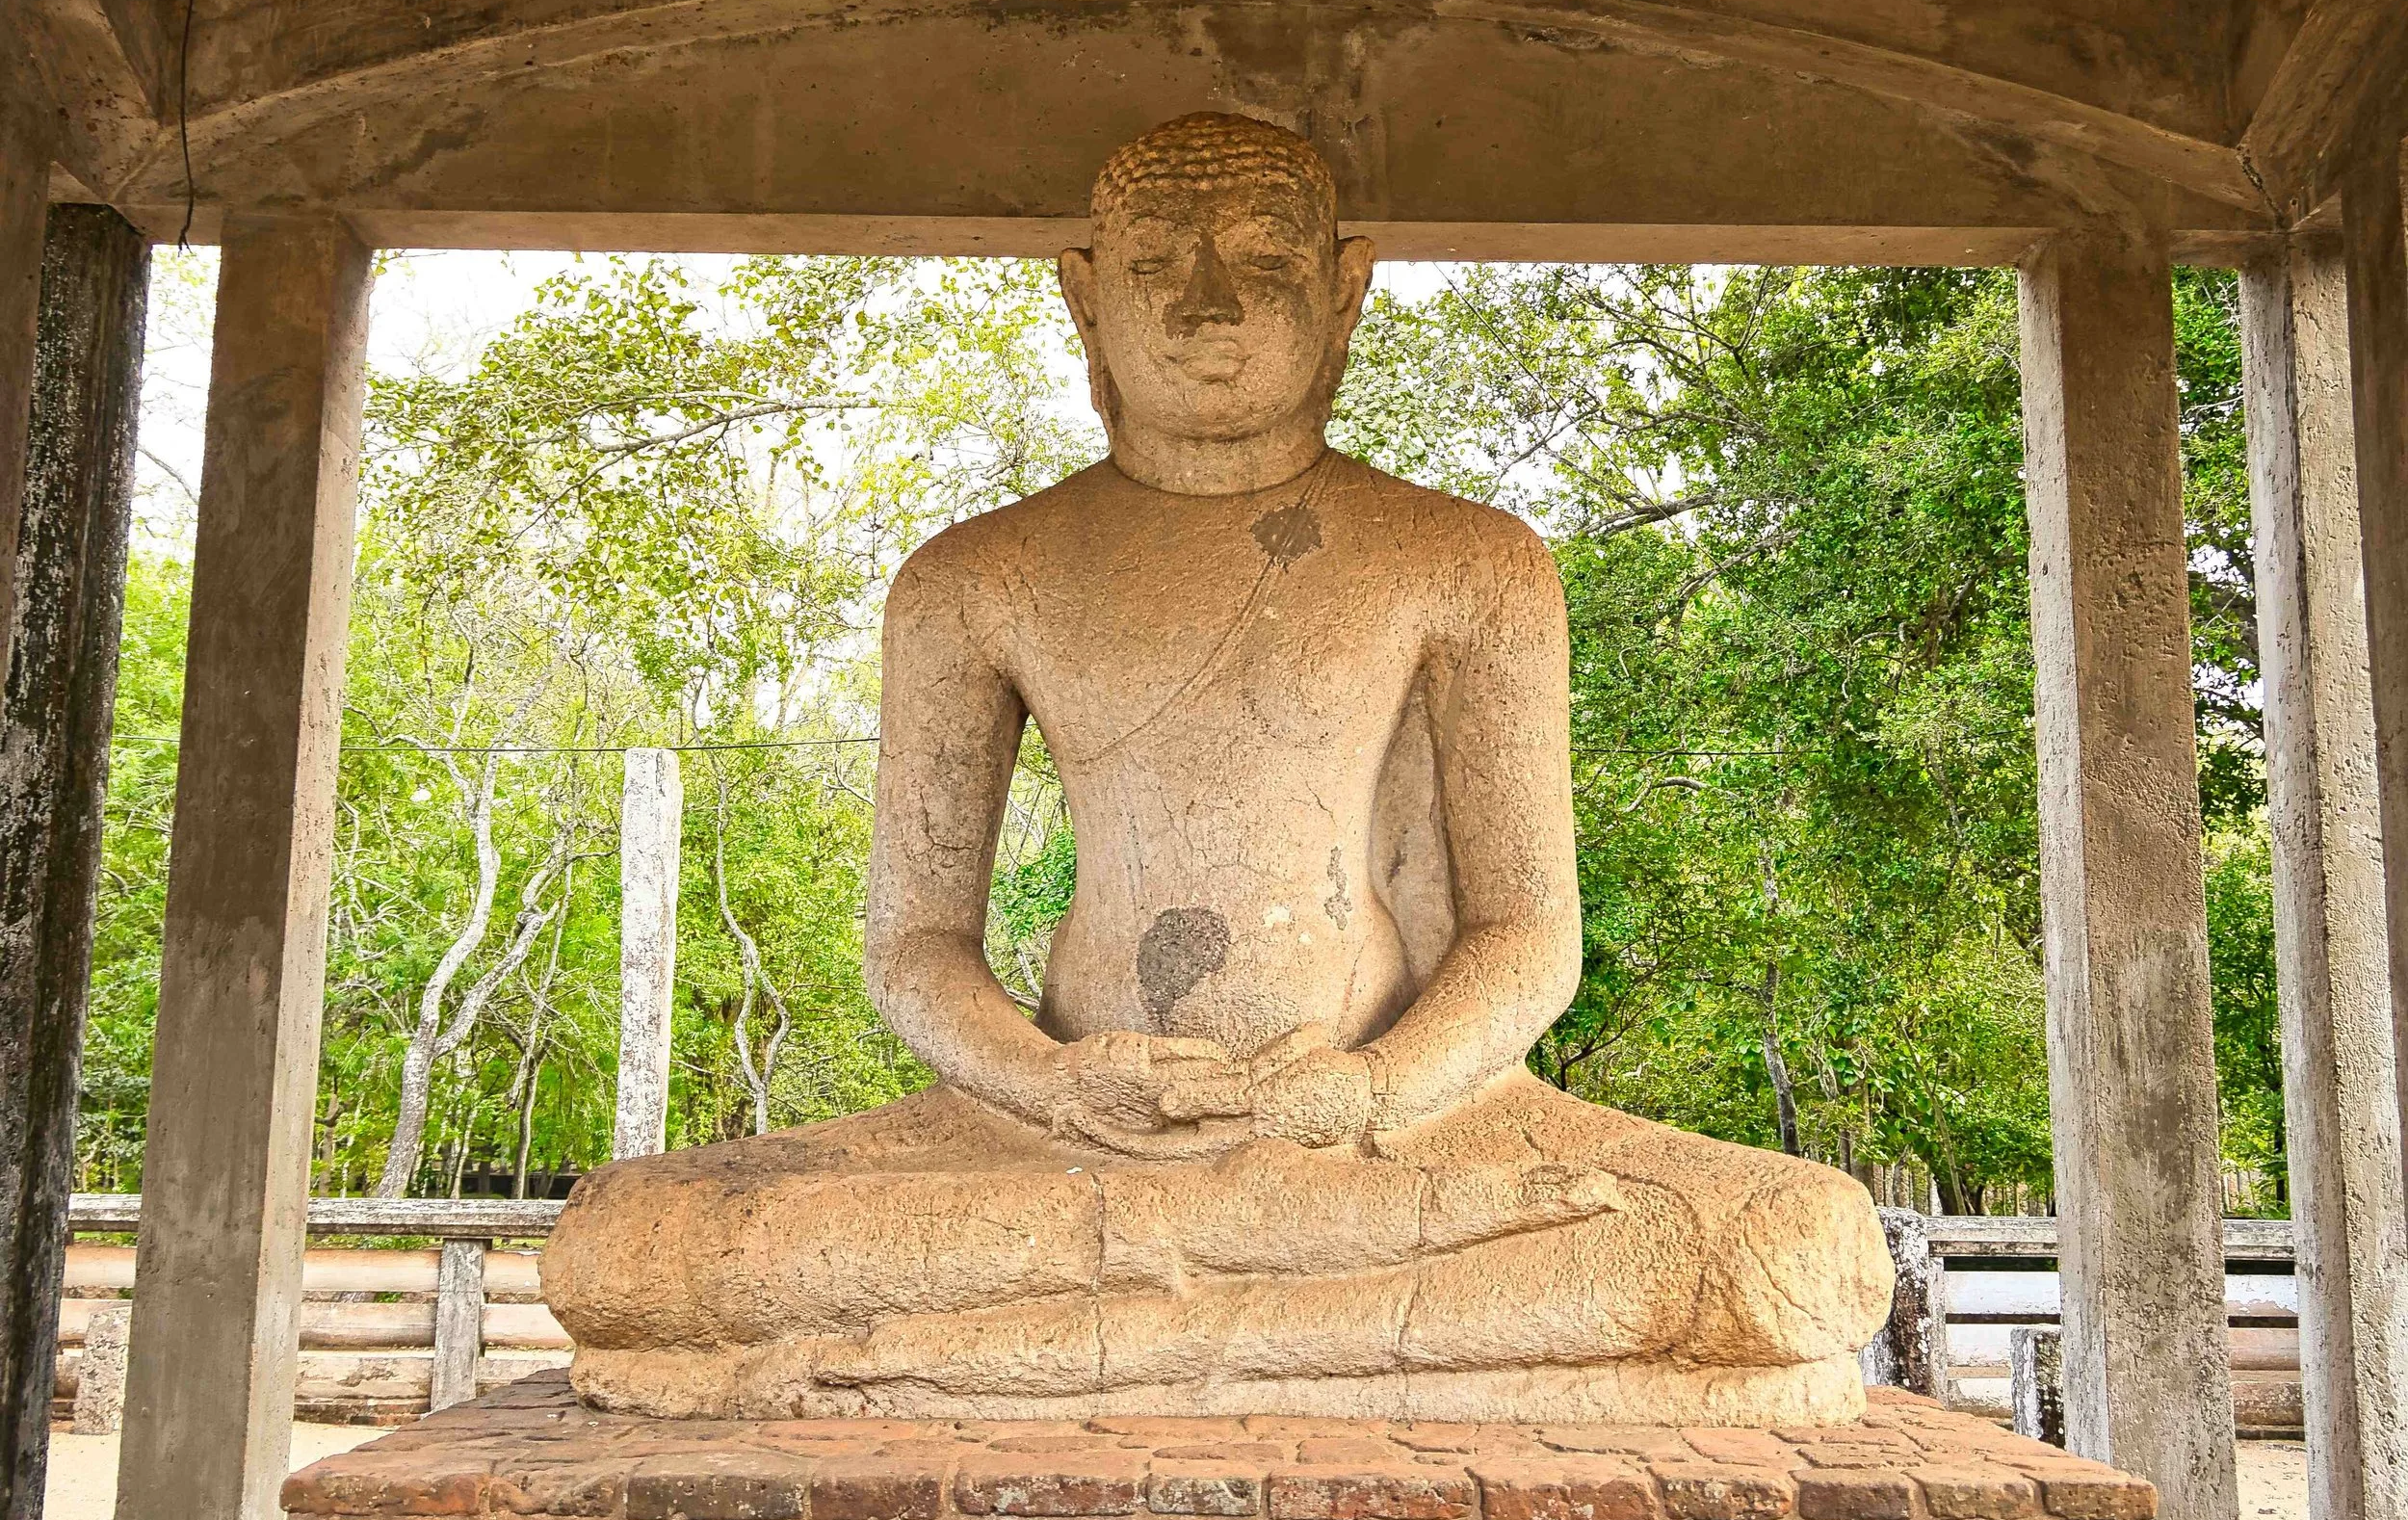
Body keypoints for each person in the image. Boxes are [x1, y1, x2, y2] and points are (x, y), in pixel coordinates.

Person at [547, 115, 1893, 1424]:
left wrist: (1372, 1093)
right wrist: (1051, 1083)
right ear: (1083, 303)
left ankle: (1066, 1340)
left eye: (1261, 262)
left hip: (1395, 1141)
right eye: (1154, 268)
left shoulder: (1469, 563)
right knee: (626, 1249)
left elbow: (1529, 934)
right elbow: (913, 946)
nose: (1205, 307)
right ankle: (1273, 1325)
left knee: (1796, 1242)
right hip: (1068, 1151)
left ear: (1345, 295)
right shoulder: (973, 580)